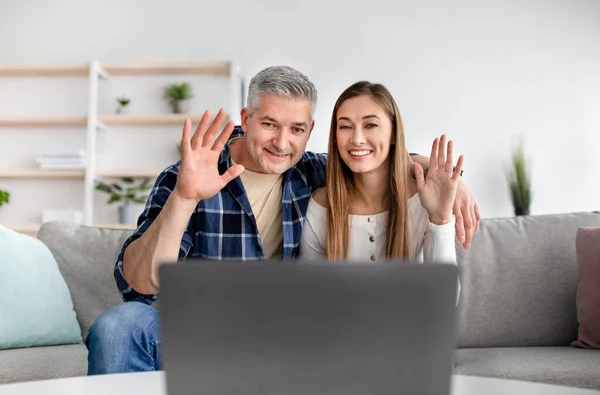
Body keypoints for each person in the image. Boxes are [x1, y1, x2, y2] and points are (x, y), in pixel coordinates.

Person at [85, 66, 479, 374]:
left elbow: (372, 155)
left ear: (310, 131)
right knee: (119, 326)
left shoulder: (312, 172)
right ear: (246, 117)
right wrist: (185, 198)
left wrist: (444, 177)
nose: (281, 142)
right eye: (270, 124)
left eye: (296, 129)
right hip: (197, 334)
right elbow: (136, 285)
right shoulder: (188, 174)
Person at [300, 81, 462, 271]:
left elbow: (443, 296)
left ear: (394, 134)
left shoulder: (423, 200)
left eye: (370, 125)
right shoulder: (318, 208)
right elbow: (311, 296)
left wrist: (440, 219)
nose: (357, 139)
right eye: (345, 126)